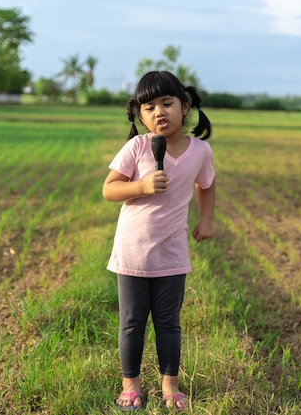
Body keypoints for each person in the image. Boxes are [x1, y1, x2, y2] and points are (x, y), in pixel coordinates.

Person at [103, 70, 215, 412]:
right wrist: (142, 186)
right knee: (133, 321)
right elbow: (109, 189)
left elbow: (206, 185)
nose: (158, 112)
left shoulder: (200, 151)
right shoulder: (137, 146)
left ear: (185, 106)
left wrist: (206, 219)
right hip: (132, 252)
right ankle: (131, 385)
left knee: (169, 322)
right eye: (148, 107)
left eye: (166, 103)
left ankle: (170, 385)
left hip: (171, 250)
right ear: (140, 115)